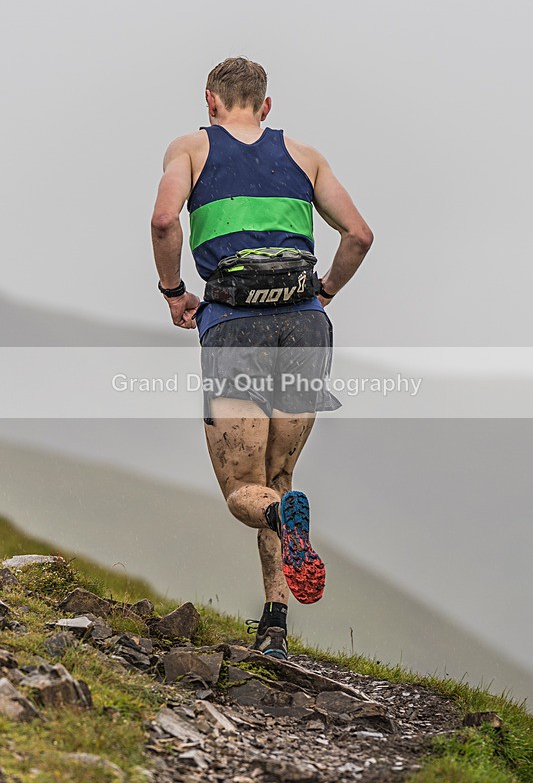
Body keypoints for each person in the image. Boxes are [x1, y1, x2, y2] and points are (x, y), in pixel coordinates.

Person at [151, 57, 373, 660]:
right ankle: (274, 628)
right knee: (279, 481)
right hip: (304, 324)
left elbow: (165, 219)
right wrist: (322, 292)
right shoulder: (306, 157)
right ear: (267, 106)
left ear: (210, 101)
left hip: (235, 323)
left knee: (244, 494)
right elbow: (359, 236)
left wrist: (174, 292)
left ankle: (283, 533)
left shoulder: (191, 149)